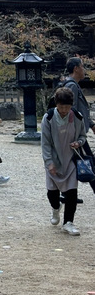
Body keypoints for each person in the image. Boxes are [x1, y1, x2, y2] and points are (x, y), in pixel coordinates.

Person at [41, 86, 86, 236]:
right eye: (61, 107)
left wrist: (78, 143)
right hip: (54, 160)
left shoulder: (77, 117)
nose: (64, 110)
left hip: (70, 160)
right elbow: (45, 143)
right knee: (52, 193)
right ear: (56, 104)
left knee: (72, 193)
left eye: (67, 107)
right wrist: (49, 162)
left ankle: (69, 223)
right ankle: (55, 208)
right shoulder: (48, 118)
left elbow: (82, 136)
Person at [63, 57, 95, 197]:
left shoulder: (72, 85)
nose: (84, 70)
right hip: (76, 133)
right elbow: (71, 111)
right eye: (82, 67)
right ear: (76, 68)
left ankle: (67, 194)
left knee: (76, 163)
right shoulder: (72, 86)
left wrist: (91, 124)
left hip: (76, 132)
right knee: (88, 161)